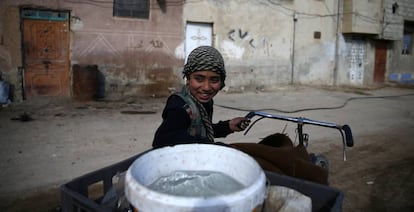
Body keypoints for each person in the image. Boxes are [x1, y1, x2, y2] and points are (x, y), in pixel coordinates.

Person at [152, 46, 250, 148]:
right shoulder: (180, 106)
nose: (206, 87)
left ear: (222, 82)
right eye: (199, 79)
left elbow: (201, 130)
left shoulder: (204, 102)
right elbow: (163, 139)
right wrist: (213, 146)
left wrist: (228, 126)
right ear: (188, 79)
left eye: (214, 80)